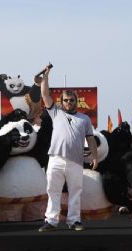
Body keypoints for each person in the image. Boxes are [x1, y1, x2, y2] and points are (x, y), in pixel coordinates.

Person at [37, 65, 98, 232]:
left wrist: (95, 156)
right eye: (65, 100)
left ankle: (74, 221)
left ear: (76, 102)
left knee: (75, 192)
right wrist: (46, 76)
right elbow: (44, 94)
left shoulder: (84, 119)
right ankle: (51, 221)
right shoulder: (55, 113)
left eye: (71, 100)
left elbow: (90, 139)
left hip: (76, 161)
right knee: (53, 191)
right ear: (61, 102)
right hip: (56, 158)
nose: (68, 102)